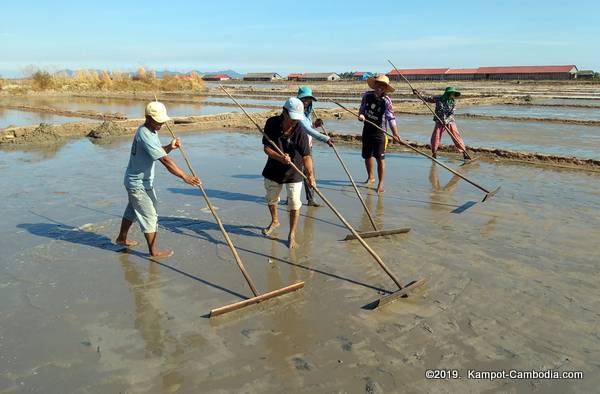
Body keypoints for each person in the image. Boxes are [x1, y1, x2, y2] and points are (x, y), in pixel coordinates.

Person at [115, 101, 200, 259]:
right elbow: (165, 161)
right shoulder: (145, 134)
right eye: (158, 120)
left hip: (137, 181)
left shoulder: (149, 130)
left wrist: (170, 146)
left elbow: (157, 152)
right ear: (148, 117)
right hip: (138, 184)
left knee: (132, 210)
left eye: (162, 120)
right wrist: (185, 177)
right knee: (150, 216)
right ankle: (153, 252)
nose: (161, 123)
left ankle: (121, 238)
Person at [261, 97, 316, 249]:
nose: (294, 122)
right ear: (284, 112)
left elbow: (306, 156)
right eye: (292, 118)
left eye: (296, 119)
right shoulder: (271, 123)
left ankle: (291, 234)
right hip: (273, 169)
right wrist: (280, 157)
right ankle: (275, 221)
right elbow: (266, 148)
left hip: (294, 171)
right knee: (271, 199)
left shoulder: (299, 130)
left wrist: (310, 175)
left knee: (294, 203)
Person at [357, 74, 400, 194]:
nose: (379, 87)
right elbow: (362, 109)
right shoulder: (367, 96)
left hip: (380, 132)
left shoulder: (386, 101)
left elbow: (391, 118)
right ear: (374, 85)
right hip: (367, 130)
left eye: (382, 86)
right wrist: (361, 115)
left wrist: (395, 134)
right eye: (378, 85)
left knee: (380, 159)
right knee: (367, 156)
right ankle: (371, 177)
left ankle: (381, 183)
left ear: (385, 88)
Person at [296, 86, 334, 207]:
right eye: (304, 99)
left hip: (308, 147)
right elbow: (306, 129)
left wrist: (315, 124)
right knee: (295, 173)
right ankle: (291, 198)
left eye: (309, 99)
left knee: (310, 173)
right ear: (299, 100)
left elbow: (309, 127)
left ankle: (311, 199)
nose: (306, 102)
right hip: (296, 148)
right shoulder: (296, 113)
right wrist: (325, 138)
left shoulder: (307, 113)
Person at [412, 86, 472, 160]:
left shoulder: (453, 102)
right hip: (439, 120)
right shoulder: (438, 99)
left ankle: (464, 152)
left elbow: (452, 114)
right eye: (452, 93)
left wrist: (446, 120)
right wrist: (418, 94)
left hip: (450, 121)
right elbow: (426, 99)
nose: (453, 95)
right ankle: (434, 153)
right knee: (436, 136)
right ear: (447, 93)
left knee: (456, 136)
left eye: (453, 94)